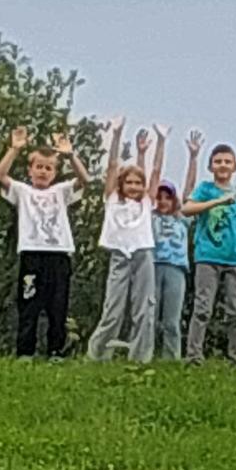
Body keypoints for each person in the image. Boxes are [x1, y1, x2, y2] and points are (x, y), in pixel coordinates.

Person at [0, 125, 90, 360]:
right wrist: (15, 149)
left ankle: (56, 351)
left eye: (48, 168)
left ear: (55, 172)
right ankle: (25, 353)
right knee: (29, 305)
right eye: (39, 167)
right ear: (30, 170)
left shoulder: (61, 191)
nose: (43, 172)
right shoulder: (22, 191)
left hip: (59, 254)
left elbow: (85, 179)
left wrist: (70, 155)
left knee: (58, 307)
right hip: (32, 255)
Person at [88, 120, 166, 363]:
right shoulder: (112, 199)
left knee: (145, 308)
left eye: (138, 183)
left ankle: (140, 357)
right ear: (121, 185)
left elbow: (156, 171)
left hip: (143, 253)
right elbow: (112, 165)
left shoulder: (146, 202)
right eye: (129, 182)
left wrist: (161, 141)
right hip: (120, 254)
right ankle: (97, 354)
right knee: (113, 307)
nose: (134, 187)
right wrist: (116, 134)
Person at [183, 141, 236, 365]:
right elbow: (186, 209)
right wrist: (217, 201)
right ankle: (194, 356)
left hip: (235, 259)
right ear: (210, 166)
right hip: (208, 256)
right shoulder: (205, 189)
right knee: (202, 308)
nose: (223, 165)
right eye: (218, 161)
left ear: (235, 166)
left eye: (227, 161)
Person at [149, 130, 203, 359]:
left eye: (167, 197)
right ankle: (145, 354)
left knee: (171, 320)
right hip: (152, 266)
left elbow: (190, 190)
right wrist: (161, 142)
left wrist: (193, 158)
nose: (163, 201)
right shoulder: (149, 217)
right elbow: (153, 177)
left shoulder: (181, 217)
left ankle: (171, 358)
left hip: (176, 268)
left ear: (173, 199)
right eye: (160, 197)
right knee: (150, 316)